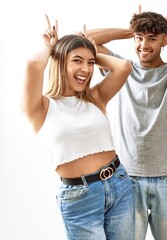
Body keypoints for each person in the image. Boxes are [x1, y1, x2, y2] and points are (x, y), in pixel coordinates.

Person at [86, 8, 167, 240]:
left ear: (163, 41)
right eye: (139, 38)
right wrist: (130, 30)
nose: (143, 45)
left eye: (151, 38)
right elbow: (86, 40)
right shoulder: (122, 68)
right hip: (127, 177)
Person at [21, 15, 134, 240]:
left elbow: (123, 67)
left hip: (119, 184)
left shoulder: (95, 97)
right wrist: (51, 47)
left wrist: (92, 51)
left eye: (90, 63)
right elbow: (33, 65)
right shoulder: (41, 107)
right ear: (61, 61)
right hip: (79, 198)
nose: (86, 69)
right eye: (77, 61)